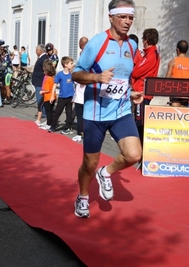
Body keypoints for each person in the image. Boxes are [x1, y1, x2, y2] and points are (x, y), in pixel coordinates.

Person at [72, 0, 143, 218]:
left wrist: (130, 93)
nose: (127, 21)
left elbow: (122, 79)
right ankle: (83, 196)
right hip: (95, 113)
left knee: (134, 154)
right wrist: (97, 77)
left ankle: (107, 172)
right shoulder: (98, 42)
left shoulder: (132, 46)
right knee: (89, 163)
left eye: (130, 17)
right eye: (122, 16)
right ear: (111, 17)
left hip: (120, 110)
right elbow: (76, 73)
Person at [130, 28, 160, 145]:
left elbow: (136, 72)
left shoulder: (150, 55)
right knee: (139, 120)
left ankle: (141, 151)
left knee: (140, 122)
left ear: (146, 40)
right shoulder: (151, 53)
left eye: (143, 39)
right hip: (143, 91)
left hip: (141, 92)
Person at [165, 40, 189, 107]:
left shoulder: (173, 62)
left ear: (177, 50)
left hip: (174, 91)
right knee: (183, 113)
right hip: (186, 92)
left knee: (175, 112)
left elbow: (167, 78)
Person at [48, 56, 75, 133]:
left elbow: (75, 85)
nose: (72, 65)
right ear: (66, 64)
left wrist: (75, 96)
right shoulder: (60, 74)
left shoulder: (72, 74)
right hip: (62, 97)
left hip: (70, 97)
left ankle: (67, 127)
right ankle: (53, 126)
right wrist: (52, 95)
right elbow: (54, 85)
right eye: (71, 63)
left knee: (69, 113)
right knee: (57, 112)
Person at [72, 36, 89, 142]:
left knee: (81, 114)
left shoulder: (85, 56)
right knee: (83, 114)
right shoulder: (86, 54)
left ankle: (80, 133)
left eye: (80, 42)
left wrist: (76, 76)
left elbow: (82, 75)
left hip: (83, 90)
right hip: (82, 89)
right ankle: (83, 132)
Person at [32, 44, 49, 126]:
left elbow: (45, 70)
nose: (35, 51)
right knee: (40, 99)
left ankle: (43, 112)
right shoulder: (41, 58)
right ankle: (42, 112)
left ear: (40, 51)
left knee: (40, 99)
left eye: (36, 50)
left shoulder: (44, 58)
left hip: (40, 81)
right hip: (38, 81)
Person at [38, 60, 56, 130]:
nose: (44, 72)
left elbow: (47, 90)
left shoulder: (48, 79)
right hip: (52, 97)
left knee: (48, 111)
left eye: (45, 71)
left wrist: (42, 92)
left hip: (48, 98)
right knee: (50, 111)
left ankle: (48, 124)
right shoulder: (52, 78)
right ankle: (49, 122)